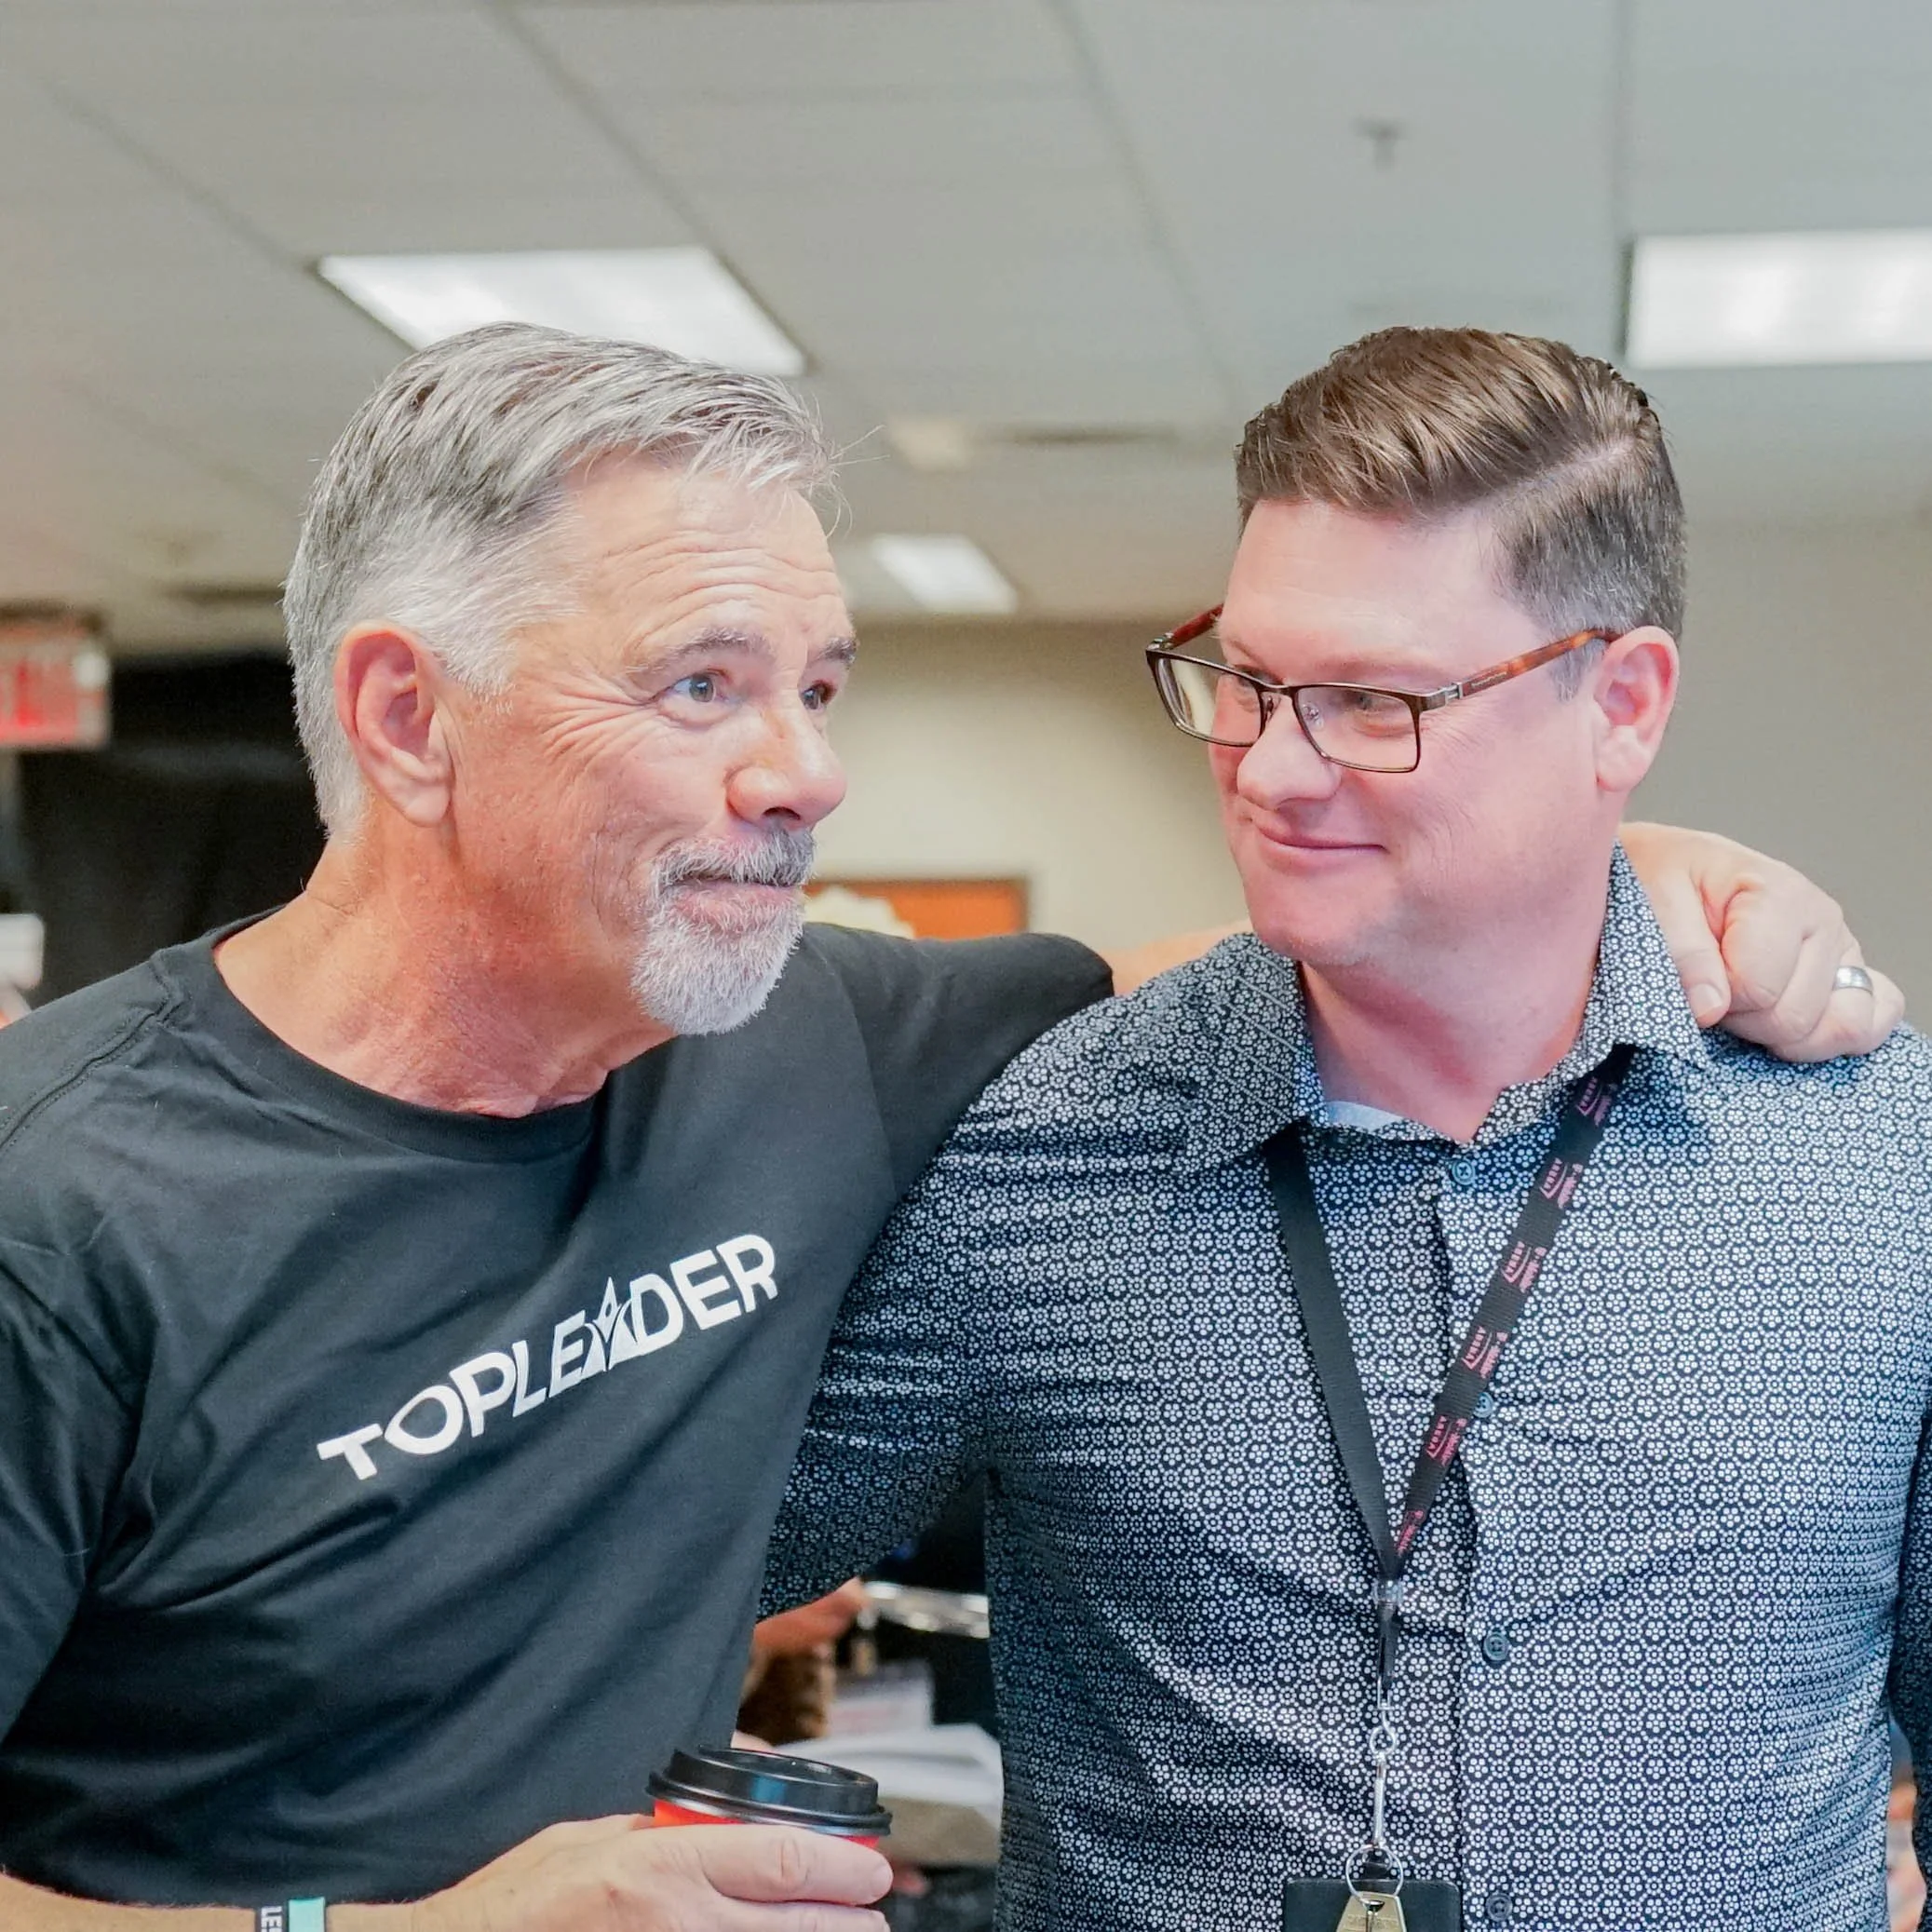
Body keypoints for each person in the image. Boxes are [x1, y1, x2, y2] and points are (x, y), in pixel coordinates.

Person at [0, 324, 1891, 1932]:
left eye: (817, 686)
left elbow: (1293, 959)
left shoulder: (813, 1042)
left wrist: (1621, 868)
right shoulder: (62, 1203)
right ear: (409, 716)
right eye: (703, 684)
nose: (811, 769)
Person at [766, 328, 1932, 1932]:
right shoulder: (1038, 1151)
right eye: (1244, 681)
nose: (1272, 768)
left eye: (1374, 701)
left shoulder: (1874, 1164)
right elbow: (689, 1560)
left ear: (1621, 704)